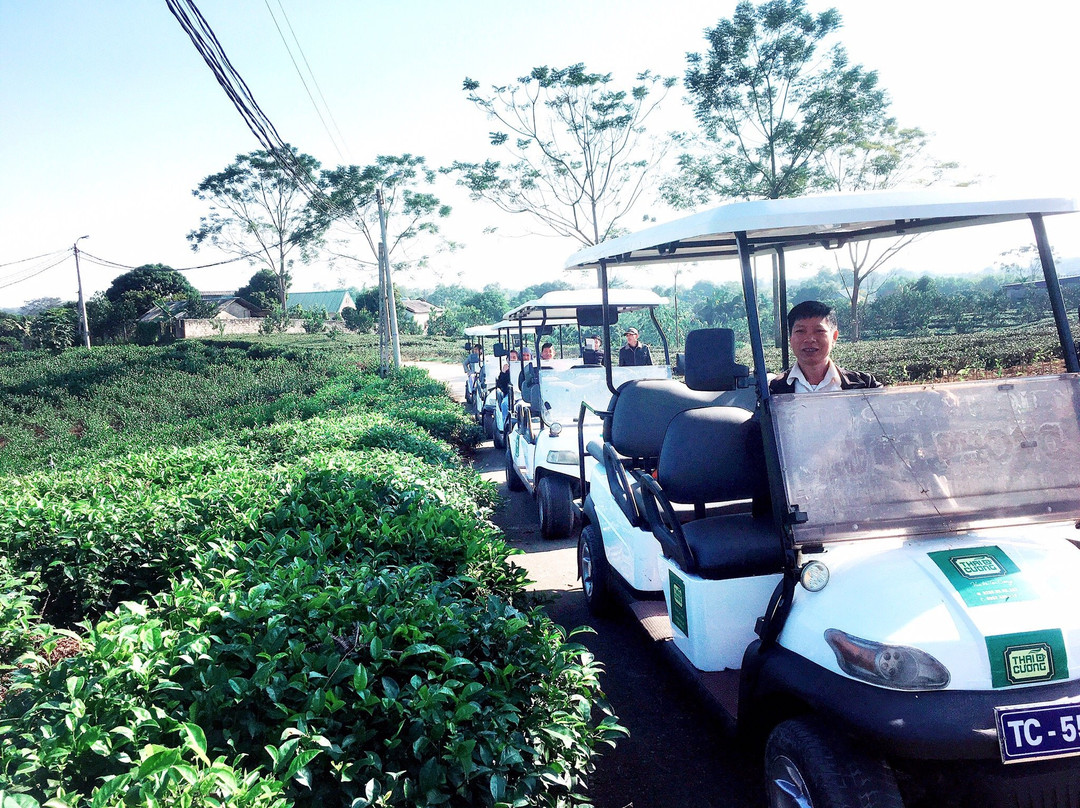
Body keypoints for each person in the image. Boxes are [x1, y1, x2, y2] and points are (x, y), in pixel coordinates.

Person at [769, 300, 883, 394]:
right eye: (800, 331)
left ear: (834, 337)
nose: (809, 339)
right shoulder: (773, 390)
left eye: (819, 331)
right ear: (790, 338)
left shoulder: (865, 386)